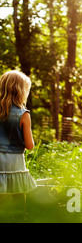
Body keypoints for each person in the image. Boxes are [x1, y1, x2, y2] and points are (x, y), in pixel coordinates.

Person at [0, 70, 36, 203]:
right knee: (19, 192)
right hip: (14, 161)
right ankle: (21, 217)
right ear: (21, 91)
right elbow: (29, 145)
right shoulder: (23, 114)